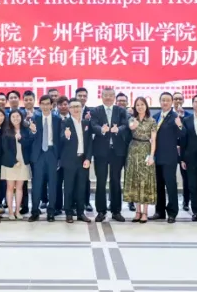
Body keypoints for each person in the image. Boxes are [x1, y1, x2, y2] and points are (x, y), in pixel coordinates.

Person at [90, 87, 129, 223]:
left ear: (114, 97)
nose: (108, 97)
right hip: (101, 151)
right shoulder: (96, 110)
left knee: (116, 181)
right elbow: (93, 125)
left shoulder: (121, 110)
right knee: (101, 182)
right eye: (105, 95)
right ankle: (101, 211)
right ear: (102, 97)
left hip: (117, 152)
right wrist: (101, 129)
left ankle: (116, 211)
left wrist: (118, 129)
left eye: (110, 95)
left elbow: (125, 125)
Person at [28, 94, 61, 222]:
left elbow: (59, 138)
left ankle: (51, 212)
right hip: (38, 154)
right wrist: (33, 132)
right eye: (43, 104)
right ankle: (35, 211)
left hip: (52, 153)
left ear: (52, 105)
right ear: (40, 105)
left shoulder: (57, 119)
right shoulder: (34, 118)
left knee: (52, 184)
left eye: (48, 104)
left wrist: (59, 157)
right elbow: (29, 137)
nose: (45, 106)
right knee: (36, 184)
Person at [153, 92, 185, 223]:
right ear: (159, 102)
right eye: (163, 100)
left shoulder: (175, 116)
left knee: (170, 186)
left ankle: (172, 212)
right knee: (158, 185)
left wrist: (180, 125)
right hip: (156, 157)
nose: (165, 102)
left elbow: (183, 134)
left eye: (167, 100)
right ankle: (159, 211)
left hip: (169, 157)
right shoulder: (155, 117)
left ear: (172, 102)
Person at [124, 97, 157, 223]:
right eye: (137, 105)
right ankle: (137, 211)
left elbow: (153, 140)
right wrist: (134, 123)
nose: (140, 107)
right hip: (133, 151)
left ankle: (145, 212)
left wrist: (152, 155)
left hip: (146, 150)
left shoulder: (152, 121)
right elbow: (131, 127)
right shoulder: (132, 119)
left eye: (142, 104)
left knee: (145, 181)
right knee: (135, 181)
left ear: (146, 106)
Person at [60, 100, 93, 223]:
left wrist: (88, 158)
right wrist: (66, 136)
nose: (76, 109)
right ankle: (68, 213)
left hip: (83, 160)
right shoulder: (65, 122)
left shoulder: (86, 123)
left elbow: (90, 143)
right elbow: (60, 139)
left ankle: (80, 213)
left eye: (78, 106)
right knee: (68, 188)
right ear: (69, 109)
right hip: (69, 160)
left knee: (81, 188)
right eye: (73, 107)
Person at [0, 110, 33, 220]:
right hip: (10, 163)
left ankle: (17, 210)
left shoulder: (26, 130)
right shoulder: (6, 130)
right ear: (10, 118)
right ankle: (10, 211)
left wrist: (20, 139)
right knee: (10, 188)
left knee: (19, 188)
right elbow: (5, 148)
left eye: (17, 116)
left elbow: (29, 144)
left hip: (23, 162)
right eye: (13, 116)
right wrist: (14, 161)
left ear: (21, 117)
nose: (15, 118)